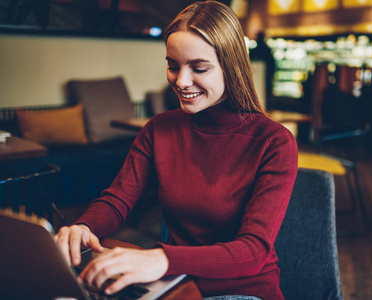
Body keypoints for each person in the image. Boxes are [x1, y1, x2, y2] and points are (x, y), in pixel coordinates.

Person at [54, 1, 298, 299]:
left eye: (198, 67)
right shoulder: (159, 129)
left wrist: (163, 258)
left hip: (242, 288)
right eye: (173, 65)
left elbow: (253, 252)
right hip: (176, 280)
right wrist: (83, 226)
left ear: (231, 67)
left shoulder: (274, 142)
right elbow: (116, 200)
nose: (180, 81)